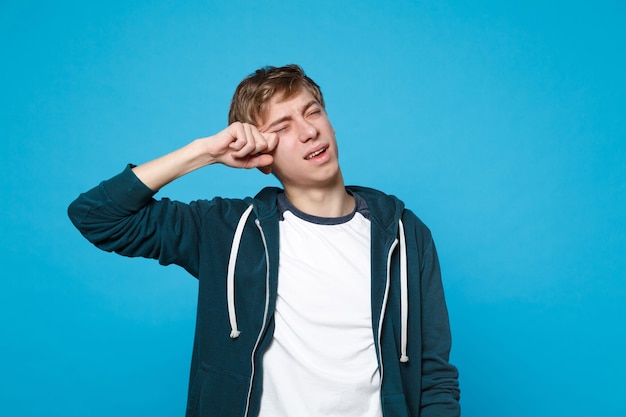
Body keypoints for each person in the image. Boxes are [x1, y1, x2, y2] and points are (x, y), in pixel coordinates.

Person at [68, 64, 460, 417]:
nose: (309, 132)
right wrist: (203, 152)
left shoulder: (404, 234)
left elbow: (433, 374)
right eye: (282, 127)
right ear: (260, 155)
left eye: (313, 112)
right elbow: (97, 216)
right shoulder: (225, 228)